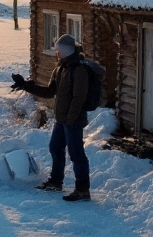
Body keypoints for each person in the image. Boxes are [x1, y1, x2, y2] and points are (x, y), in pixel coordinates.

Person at [12, 33, 93, 201]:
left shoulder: (79, 70)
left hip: (73, 120)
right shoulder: (61, 68)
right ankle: (56, 181)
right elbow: (49, 92)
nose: (56, 53)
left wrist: (71, 118)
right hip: (62, 119)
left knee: (76, 153)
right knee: (55, 147)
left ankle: (82, 189)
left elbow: (80, 98)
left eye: (58, 50)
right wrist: (25, 85)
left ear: (65, 51)